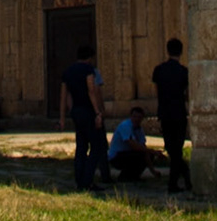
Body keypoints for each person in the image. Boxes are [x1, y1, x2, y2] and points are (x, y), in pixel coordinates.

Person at [58, 44, 106, 192]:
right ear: (90, 58)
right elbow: (91, 90)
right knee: (96, 146)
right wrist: (97, 112)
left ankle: (79, 180)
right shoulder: (88, 70)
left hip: (76, 112)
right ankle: (87, 180)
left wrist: (62, 118)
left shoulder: (68, 72)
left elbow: (64, 96)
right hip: (88, 111)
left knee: (81, 147)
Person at [152, 37, 192, 194]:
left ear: (167, 51)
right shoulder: (184, 72)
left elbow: (157, 92)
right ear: (181, 52)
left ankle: (176, 182)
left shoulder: (159, 70)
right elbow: (187, 94)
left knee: (171, 148)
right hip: (179, 113)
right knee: (177, 149)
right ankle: (181, 178)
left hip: (165, 113)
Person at [108, 106, 155, 183]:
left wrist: (153, 171)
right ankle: (125, 176)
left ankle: (134, 176)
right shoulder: (126, 126)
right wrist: (151, 151)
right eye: (134, 117)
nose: (136, 119)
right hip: (116, 157)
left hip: (128, 154)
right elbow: (133, 144)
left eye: (139, 117)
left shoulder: (139, 129)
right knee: (139, 155)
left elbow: (143, 148)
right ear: (131, 116)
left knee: (147, 154)